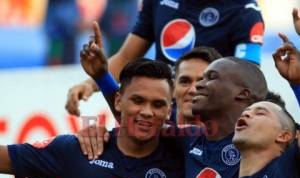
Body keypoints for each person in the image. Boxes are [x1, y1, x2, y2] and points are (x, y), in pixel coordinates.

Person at [78, 24, 270, 178]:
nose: (196, 87)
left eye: (207, 79)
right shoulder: (187, 138)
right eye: (185, 81)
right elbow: (135, 117)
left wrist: (296, 85)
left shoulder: (266, 141)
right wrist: (102, 79)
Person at [0, 59, 189, 178]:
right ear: (118, 101)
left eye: (157, 104)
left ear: (168, 111)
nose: (147, 112)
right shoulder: (75, 151)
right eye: (138, 100)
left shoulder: (186, 162)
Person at [65, 0, 264, 116]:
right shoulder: (157, 2)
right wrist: (90, 84)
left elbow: (248, 80)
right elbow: (126, 56)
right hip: (163, 117)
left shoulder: (246, 11)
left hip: (211, 123)